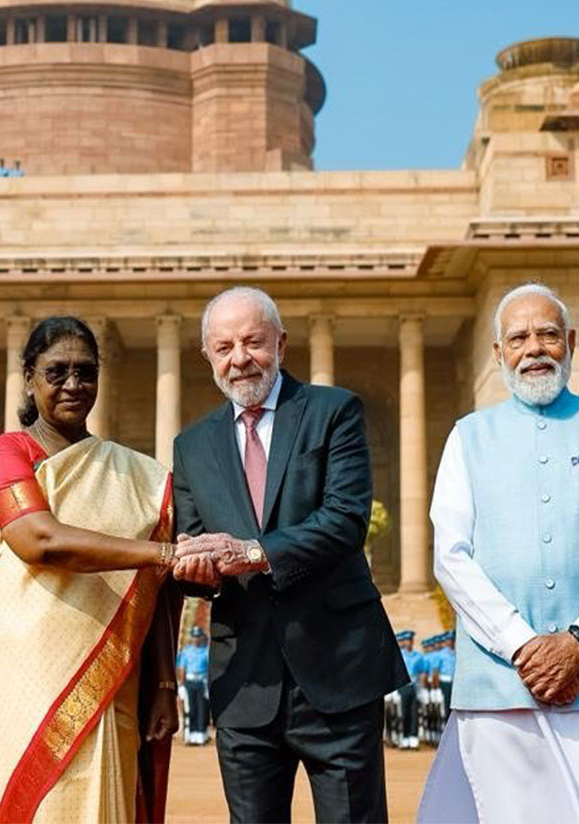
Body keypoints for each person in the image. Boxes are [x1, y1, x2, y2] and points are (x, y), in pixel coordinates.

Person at [418, 282, 579, 824]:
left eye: (547, 335)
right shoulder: (468, 437)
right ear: (498, 354)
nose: (533, 348)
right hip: (500, 683)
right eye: (518, 338)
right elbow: (450, 556)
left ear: (571, 343)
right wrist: (522, 646)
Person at [172, 287, 407, 824]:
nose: (240, 359)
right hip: (245, 683)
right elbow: (195, 549)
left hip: (339, 672)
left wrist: (252, 552)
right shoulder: (191, 446)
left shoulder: (332, 411)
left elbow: (345, 520)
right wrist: (193, 569)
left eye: (253, 341)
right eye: (224, 346)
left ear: (281, 343)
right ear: (207, 356)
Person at [0, 315, 180, 823]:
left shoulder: (139, 477)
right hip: (30, 677)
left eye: (85, 372)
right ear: (29, 378)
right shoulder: (12, 452)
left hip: (115, 674)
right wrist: (162, 553)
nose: (73, 385)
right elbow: (38, 541)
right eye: (57, 372)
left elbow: (153, 591)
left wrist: (163, 684)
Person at [176, 626, 210, 746]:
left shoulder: (206, 651)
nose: (196, 639)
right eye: (194, 637)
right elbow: (182, 668)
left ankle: (200, 736)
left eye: (198, 637)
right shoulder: (186, 651)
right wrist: (181, 685)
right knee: (190, 708)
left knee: (201, 708)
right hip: (189, 681)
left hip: (202, 682)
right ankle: (190, 735)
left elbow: (209, 669)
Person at [393, 631, 423, 749]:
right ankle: (405, 737)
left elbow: (422, 673)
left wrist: (422, 689)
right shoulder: (400, 655)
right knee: (404, 713)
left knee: (414, 712)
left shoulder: (418, 656)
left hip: (414, 686)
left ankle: (413, 738)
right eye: (406, 640)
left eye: (410, 640)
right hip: (403, 686)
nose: (408, 642)